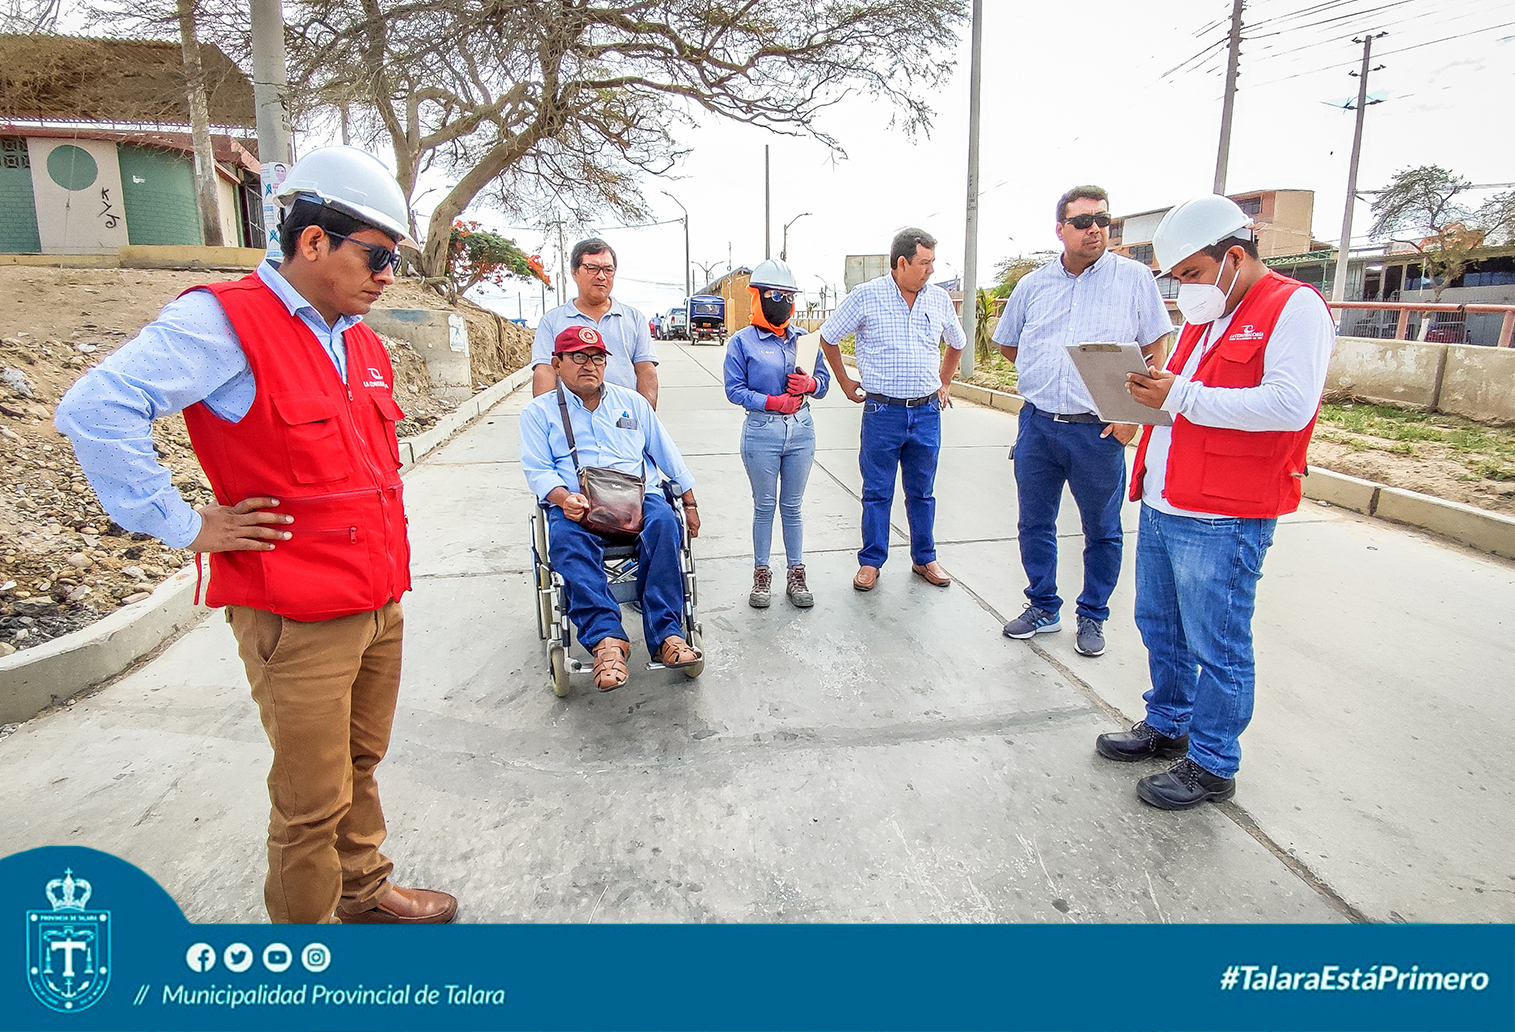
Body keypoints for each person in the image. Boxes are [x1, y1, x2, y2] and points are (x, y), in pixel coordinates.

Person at [54, 146, 457, 924]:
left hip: (376, 601)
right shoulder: (225, 322)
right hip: (295, 616)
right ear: (313, 242)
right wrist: (180, 523)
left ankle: (365, 893)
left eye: (393, 260)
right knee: (310, 801)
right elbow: (96, 408)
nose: (387, 276)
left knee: (358, 765)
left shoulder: (362, 341)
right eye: (376, 255)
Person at [1095, 194, 1334, 810]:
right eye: (1177, 281)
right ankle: (1168, 725)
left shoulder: (1294, 307)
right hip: (1167, 499)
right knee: (1160, 627)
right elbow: (1173, 395)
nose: (1186, 293)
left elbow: (1289, 404)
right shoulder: (1206, 317)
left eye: (1193, 275)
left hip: (1226, 514)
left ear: (1234, 256)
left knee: (1217, 643)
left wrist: (1180, 398)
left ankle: (1213, 763)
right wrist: (1132, 411)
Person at [993, 186, 1173, 658]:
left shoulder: (1134, 279)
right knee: (1035, 522)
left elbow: (1157, 345)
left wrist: (1132, 416)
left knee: (1102, 528)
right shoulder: (1033, 286)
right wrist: (1043, 371)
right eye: (1083, 221)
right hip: (1038, 425)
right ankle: (1043, 606)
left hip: (1099, 429)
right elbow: (1010, 343)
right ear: (1060, 230)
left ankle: (1092, 615)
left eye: (1102, 221)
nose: (1095, 229)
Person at [520, 325, 702, 690]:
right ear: (557, 363)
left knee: (666, 523)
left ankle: (668, 634)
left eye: (598, 358)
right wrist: (561, 498)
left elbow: (666, 450)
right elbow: (538, 469)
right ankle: (607, 640)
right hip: (578, 501)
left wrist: (689, 498)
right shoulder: (539, 413)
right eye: (579, 357)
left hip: (637, 497)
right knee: (566, 540)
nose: (590, 365)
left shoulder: (631, 402)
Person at [818, 228, 966, 592]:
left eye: (933, 262)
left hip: (927, 413)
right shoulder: (866, 297)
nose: (930, 270)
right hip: (883, 414)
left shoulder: (939, 299)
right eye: (924, 263)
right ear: (902, 263)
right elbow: (828, 336)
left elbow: (957, 343)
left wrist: (944, 383)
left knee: (922, 492)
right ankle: (871, 562)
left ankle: (924, 557)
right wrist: (844, 380)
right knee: (877, 491)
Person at [723, 258, 831, 608]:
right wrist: (771, 402)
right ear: (756, 296)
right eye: (772, 294)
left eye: (787, 295)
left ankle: (796, 574)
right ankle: (761, 574)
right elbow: (734, 389)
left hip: (801, 430)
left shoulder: (805, 340)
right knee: (765, 506)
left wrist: (811, 383)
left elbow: (824, 383)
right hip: (761, 432)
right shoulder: (742, 342)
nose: (780, 300)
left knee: (793, 506)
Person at [532, 238, 659, 406]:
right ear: (574, 272)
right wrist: (546, 417)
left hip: (623, 418)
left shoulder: (634, 319)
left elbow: (646, 371)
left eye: (608, 269)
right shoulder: (552, 321)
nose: (601, 276)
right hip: (571, 421)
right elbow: (545, 371)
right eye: (592, 268)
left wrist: (646, 418)